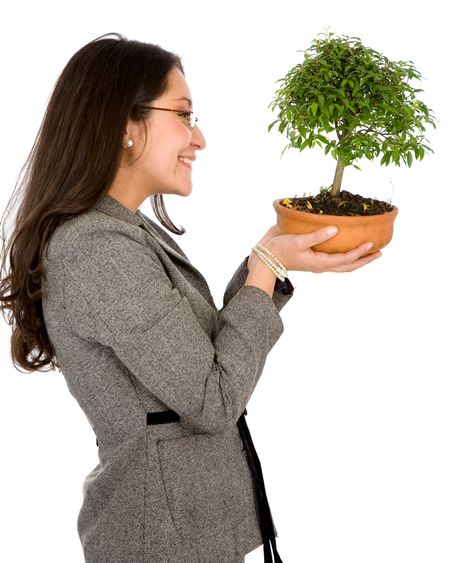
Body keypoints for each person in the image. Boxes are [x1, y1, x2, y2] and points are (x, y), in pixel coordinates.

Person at [0, 33, 381, 563]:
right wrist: (265, 269)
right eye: (183, 114)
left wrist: (268, 258)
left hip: (182, 534)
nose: (198, 138)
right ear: (124, 126)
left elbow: (200, 353)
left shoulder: (122, 233)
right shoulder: (97, 248)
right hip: (160, 540)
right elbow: (213, 397)